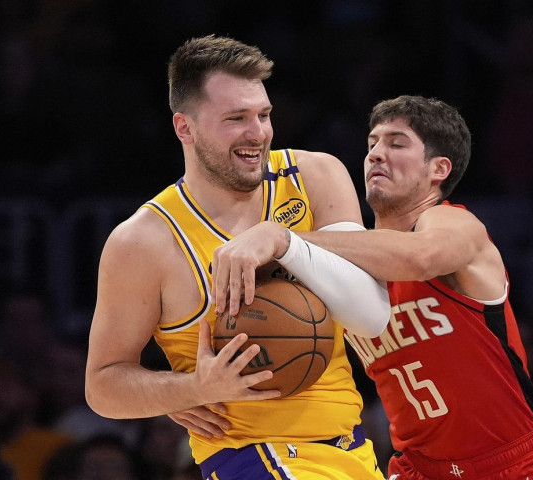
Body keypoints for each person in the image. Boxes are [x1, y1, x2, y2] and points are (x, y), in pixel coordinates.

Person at [212, 95, 533, 479]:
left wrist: (287, 240)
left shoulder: (455, 225)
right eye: (372, 144)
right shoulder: (345, 268)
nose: (375, 155)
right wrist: (196, 391)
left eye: (396, 144)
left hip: (514, 463)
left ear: (439, 168)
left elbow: (420, 257)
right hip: (417, 469)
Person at [84, 35, 390, 480]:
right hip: (252, 457)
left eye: (263, 115)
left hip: (350, 447)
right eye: (236, 118)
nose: (257, 133)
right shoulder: (144, 241)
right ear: (184, 128)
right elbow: (102, 385)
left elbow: (370, 317)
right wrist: (188, 388)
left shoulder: (315, 177)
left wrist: (285, 242)